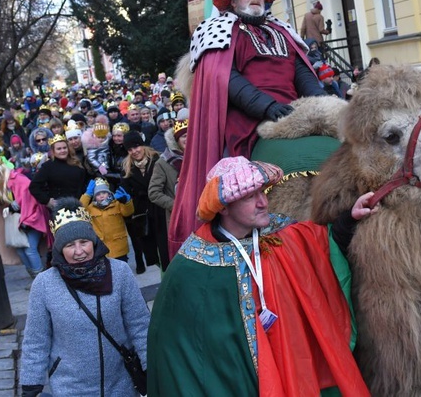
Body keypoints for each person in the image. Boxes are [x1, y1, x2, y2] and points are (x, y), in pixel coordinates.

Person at [148, 156, 373, 396]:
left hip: (295, 370)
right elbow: (180, 347)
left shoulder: (282, 233)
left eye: (262, 192)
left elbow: (321, 246)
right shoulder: (194, 265)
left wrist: (351, 218)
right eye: (249, 196)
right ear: (223, 206)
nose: (263, 202)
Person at [171, 0, 325, 258]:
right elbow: (225, 78)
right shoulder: (218, 30)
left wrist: (322, 103)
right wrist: (267, 107)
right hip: (247, 122)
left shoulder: (281, 30)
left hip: (295, 113)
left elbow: (302, 73)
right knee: (237, 173)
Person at [19, 198, 150, 397]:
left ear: (94, 241)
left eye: (84, 242)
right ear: (59, 249)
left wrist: (150, 366)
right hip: (70, 388)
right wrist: (31, 386)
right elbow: (36, 340)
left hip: (121, 384)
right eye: (70, 245)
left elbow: (139, 324)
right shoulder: (44, 285)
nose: (79, 251)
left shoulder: (120, 272)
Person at [120, 131, 160, 274]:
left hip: (160, 209)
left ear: (142, 145)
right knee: (151, 253)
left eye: (136, 147)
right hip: (142, 213)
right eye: (130, 149)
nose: (134, 151)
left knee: (165, 249)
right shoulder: (126, 167)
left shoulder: (157, 159)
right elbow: (125, 188)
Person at [80, 178, 134, 261]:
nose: (101, 196)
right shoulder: (91, 208)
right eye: (98, 194)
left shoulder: (116, 203)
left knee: (121, 269)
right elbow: (80, 210)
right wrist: (87, 195)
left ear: (109, 193)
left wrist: (126, 202)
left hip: (119, 246)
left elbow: (128, 212)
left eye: (104, 192)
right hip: (102, 248)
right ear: (94, 196)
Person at [29, 135, 89, 210]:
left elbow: (83, 184)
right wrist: (47, 201)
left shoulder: (77, 163)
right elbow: (34, 186)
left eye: (64, 148)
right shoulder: (48, 166)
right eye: (59, 149)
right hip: (59, 208)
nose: (62, 151)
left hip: (79, 205)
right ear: (53, 151)